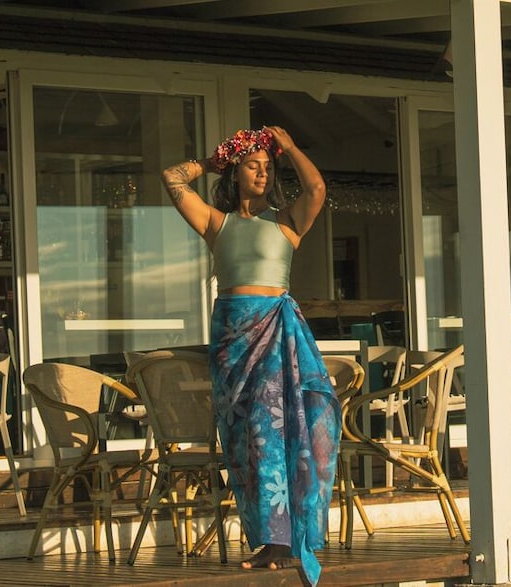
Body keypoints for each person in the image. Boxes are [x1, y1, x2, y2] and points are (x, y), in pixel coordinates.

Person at [161, 127, 340, 586]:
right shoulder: (216, 223)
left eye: (268, 167)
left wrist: (291, 148)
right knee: (244, 443)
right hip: (231, 340)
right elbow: (172, 178)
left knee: (269, 432)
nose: (262, 174)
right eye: (252, 165)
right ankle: (267, 538)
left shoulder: (287, 222)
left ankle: (282, 542)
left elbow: (317, 189)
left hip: (274, 331)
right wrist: (214, 159)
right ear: (236, 172)